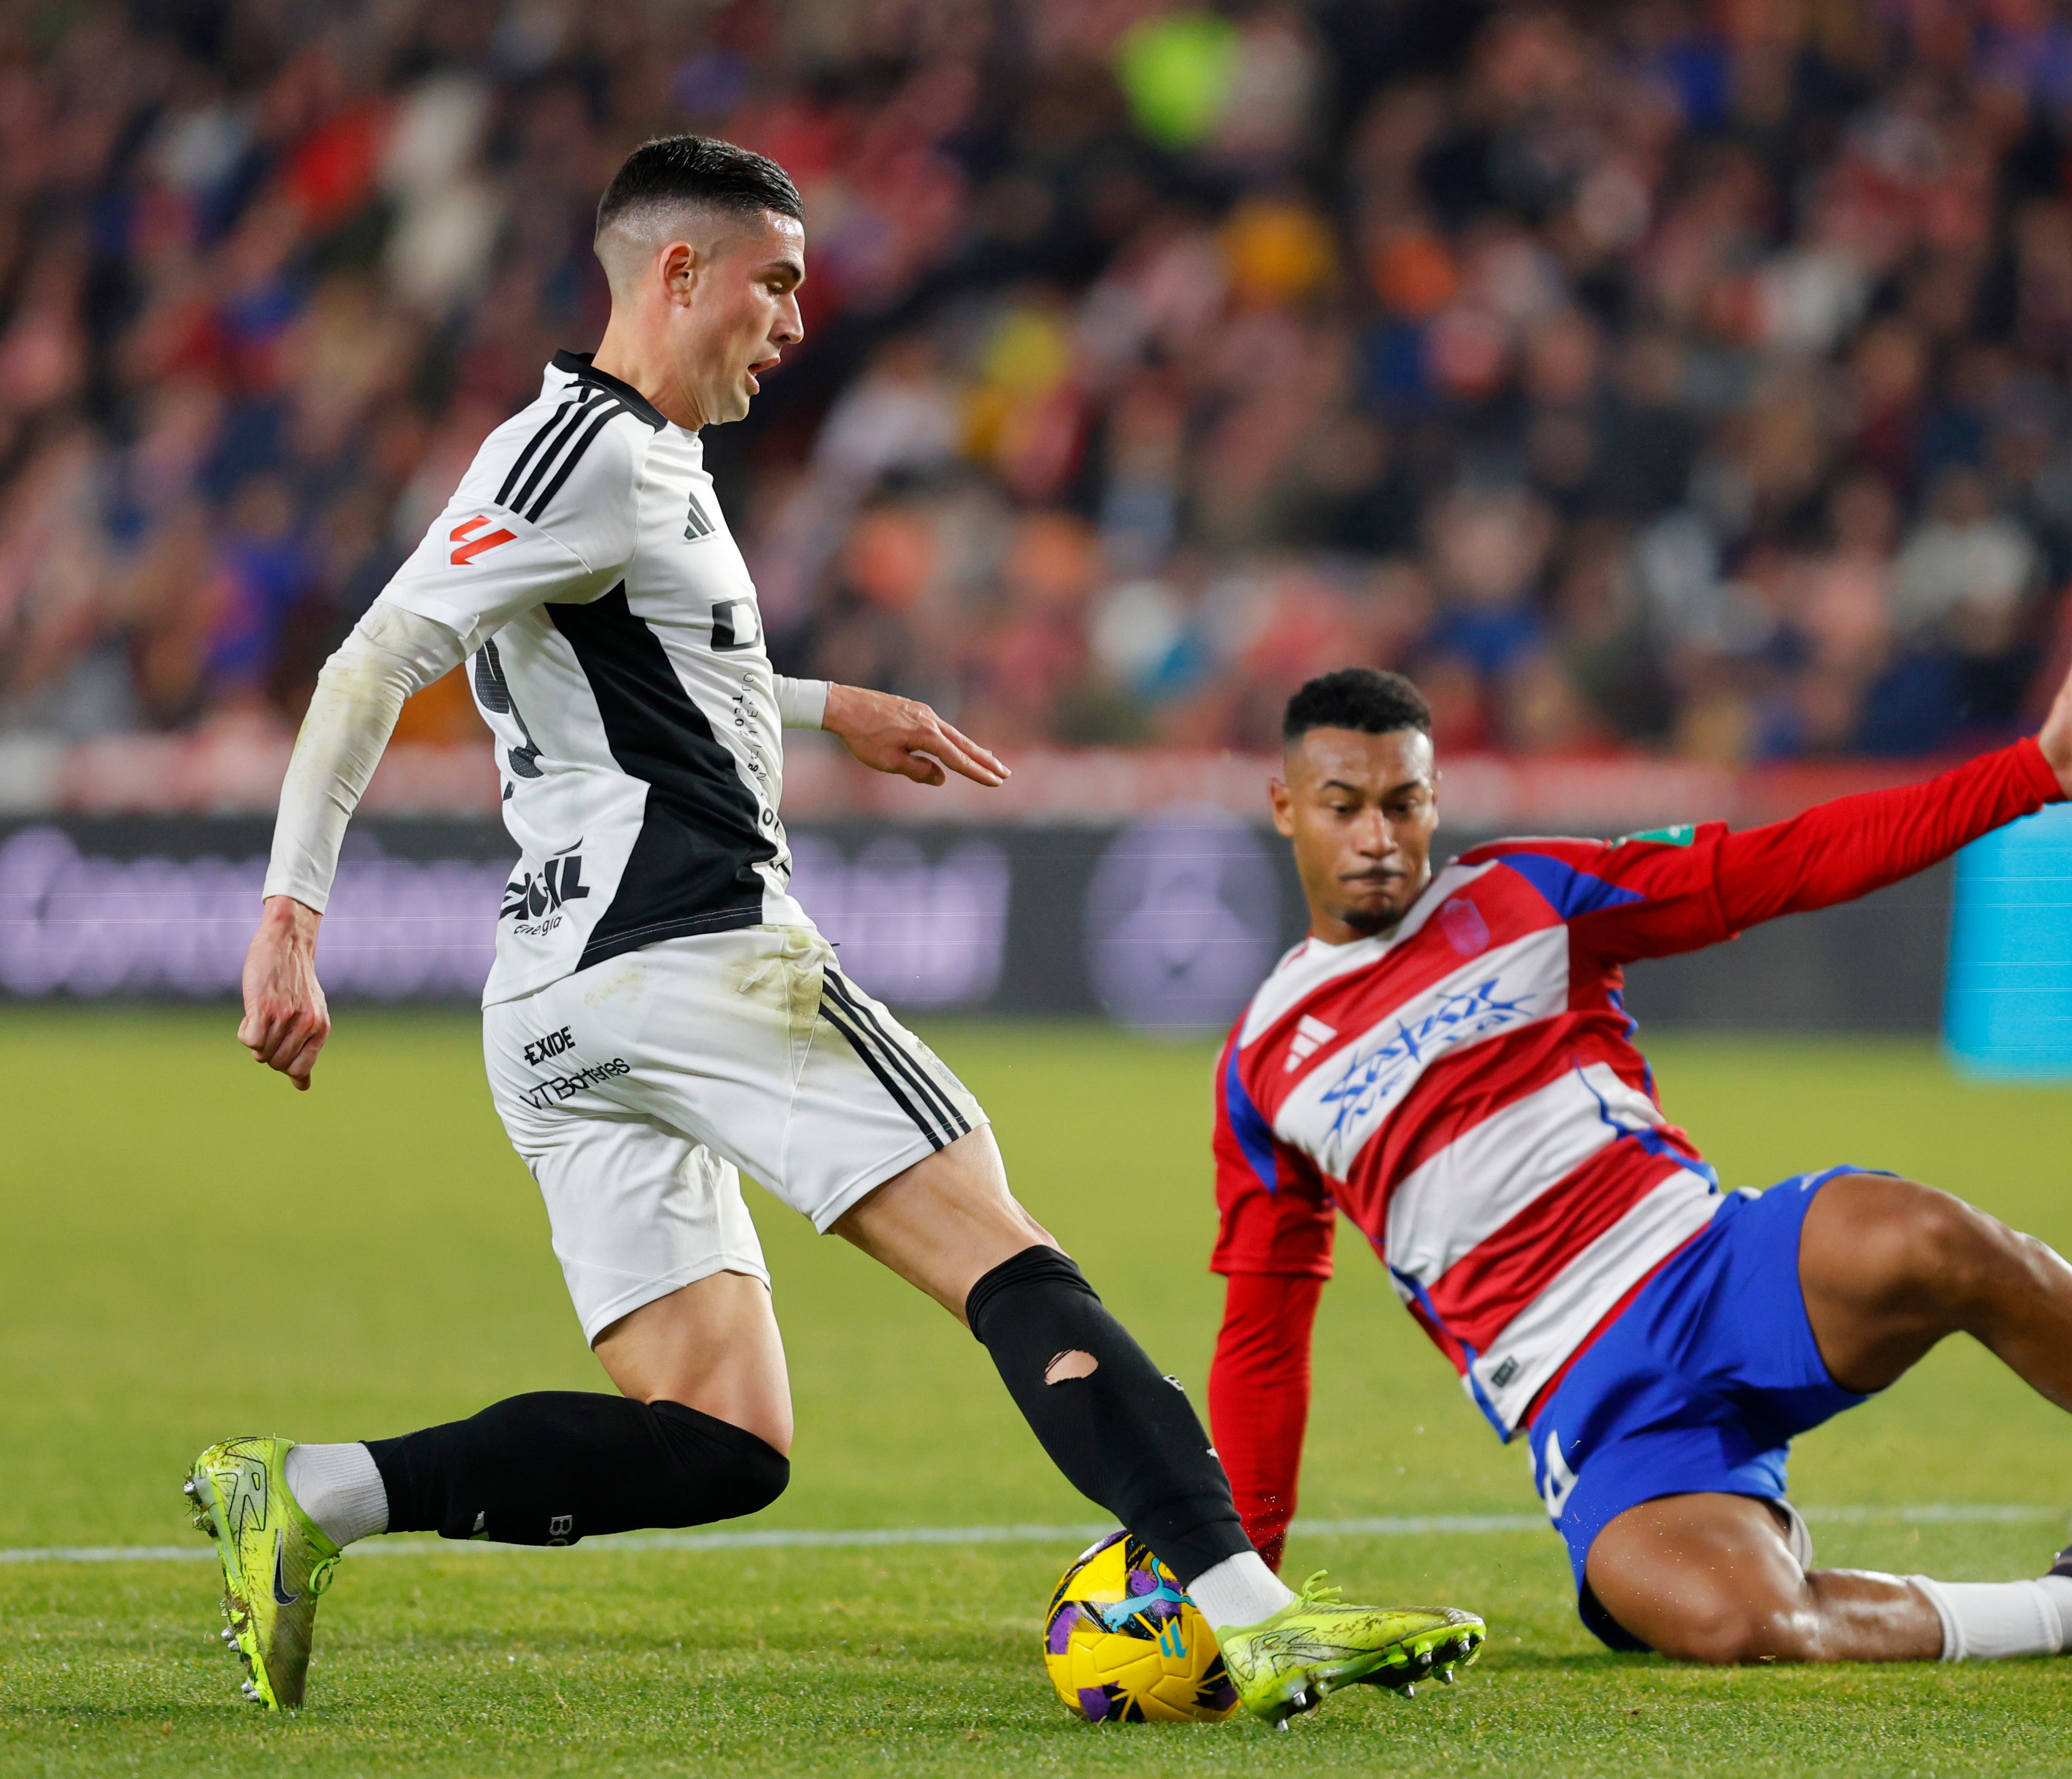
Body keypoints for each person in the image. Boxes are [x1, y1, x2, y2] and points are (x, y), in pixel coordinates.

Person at [205, 136, 1479, 1724]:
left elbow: (623, 673)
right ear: (678, 273)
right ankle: (1254, 1609)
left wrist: (821, 707)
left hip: (552, 1000)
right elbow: (370, 665)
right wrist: (289, 917)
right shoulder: (578, 455)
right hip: (691, 950)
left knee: (720, 1434)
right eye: (778, 282)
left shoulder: (629, 461)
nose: (797, 320)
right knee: (1002, 1253)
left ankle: (312, 1494)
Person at [1205, 662, 2072, 1665]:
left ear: (1434, 800)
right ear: (1284, 809)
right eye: (1344, 805)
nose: (1379, 836)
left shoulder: (1532, 893)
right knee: (1744, 1628)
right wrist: (1243, 1585)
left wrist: (2024, 775)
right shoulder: (1264, 1060)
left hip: (1715, 1269)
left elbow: (1790, 863)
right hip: (1594, 1414)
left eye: (1404, 802)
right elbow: (1264, 1336)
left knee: (1932, 1238)